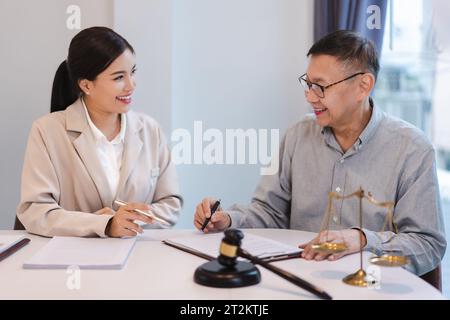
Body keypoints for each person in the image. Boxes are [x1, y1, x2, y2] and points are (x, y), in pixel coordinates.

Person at [193, 30, 446, 276]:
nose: (310, 97)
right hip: (298, 283)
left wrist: (361, 240)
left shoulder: (412, 149)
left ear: (363, 86)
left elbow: (427, 244)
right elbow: (269, 213)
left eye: (320, 87)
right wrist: (227, 220)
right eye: (308, 84)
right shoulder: (297, 135)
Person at [17, 26, 182, 238]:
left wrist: (129, 220)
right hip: (73, 262)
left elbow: (170, 204)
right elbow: (35, 211)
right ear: (86, 85)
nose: (131, 86)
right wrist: (102, 224)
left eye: (132, 72)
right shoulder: (47, 131)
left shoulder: (150, 130)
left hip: (139, 256)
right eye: (118, 77)